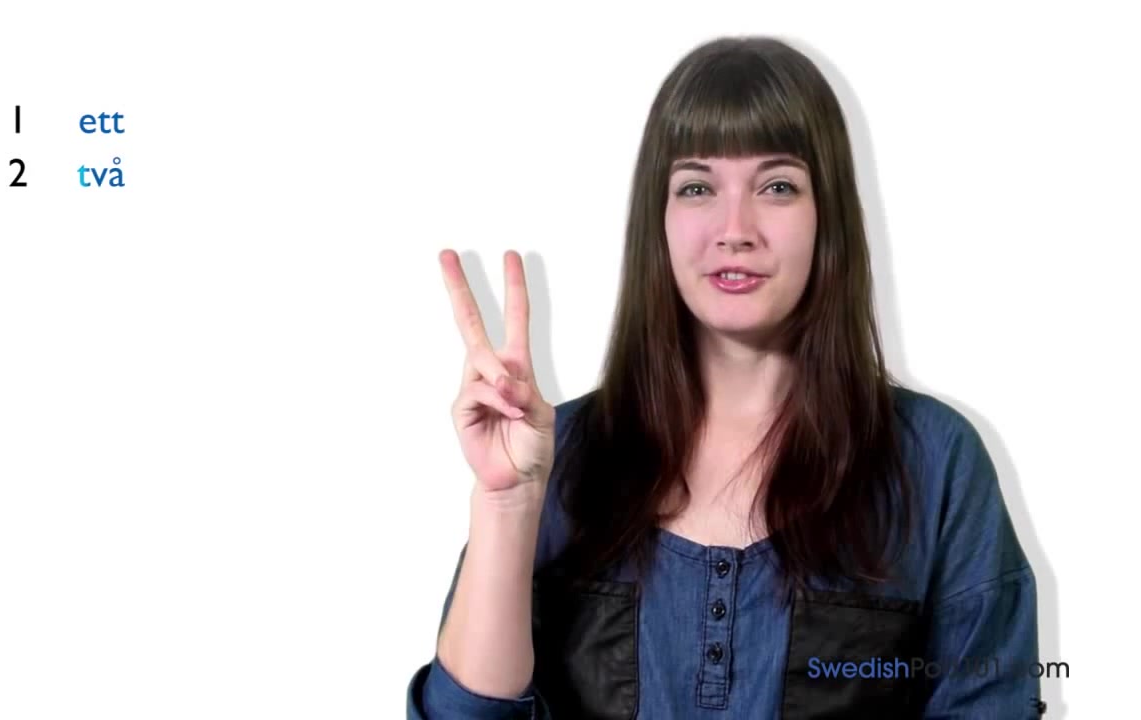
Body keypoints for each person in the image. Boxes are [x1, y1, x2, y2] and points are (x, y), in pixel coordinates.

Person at [406, 35, 1042, 719]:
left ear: (828, 216)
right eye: (697, 187)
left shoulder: (936, 462)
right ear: (658, 219)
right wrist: (507, 506)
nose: (734, 229)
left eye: (777, 187)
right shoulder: (557, 456)